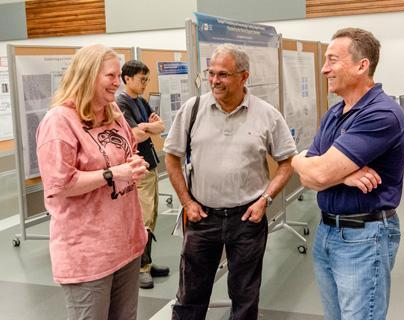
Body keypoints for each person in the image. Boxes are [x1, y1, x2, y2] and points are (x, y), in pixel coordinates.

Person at [164, 44, 296, 320]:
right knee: (190, 297)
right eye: (211, 73)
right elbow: (171, 157)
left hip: (247, 219)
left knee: (245, 297)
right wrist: (186, 202)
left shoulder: (267, 114)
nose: (214, 81)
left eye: (223, 74)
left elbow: (286, 163)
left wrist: (265, 201)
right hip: (201, 218)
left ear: (243, 76)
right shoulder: (193, 109)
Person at [292, 28, 404, 320]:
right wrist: (340, 175)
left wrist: (319, 169)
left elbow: (316, 175)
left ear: (361, 65)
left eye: (332, 59)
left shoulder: (381, 114)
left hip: (363, 238)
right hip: (328, 232)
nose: (324, 68)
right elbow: (307, 173)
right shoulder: (334, 113)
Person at [36, 44, 149, 319]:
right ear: (87, 75)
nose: (117, 82)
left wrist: (134, 163)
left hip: (126, 244)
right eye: (109, 76)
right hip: (88, 253)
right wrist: (114, 174)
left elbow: (128, 151)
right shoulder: (60, 120)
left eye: (118, 75)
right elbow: (59, 184)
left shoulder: (113, 113)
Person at [117, 60, 170, 289]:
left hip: (150, 165)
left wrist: (146, 128)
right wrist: (148, 129)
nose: (145, 84)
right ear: (127, 78)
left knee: (152, 216)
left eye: (147, 79)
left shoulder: (141, 101)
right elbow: (134, 136)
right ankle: (141, 268)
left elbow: (160, 126)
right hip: (137, 168)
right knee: (143, 220)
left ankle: (147, 260)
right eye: (142, 80)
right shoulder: (121, 103)